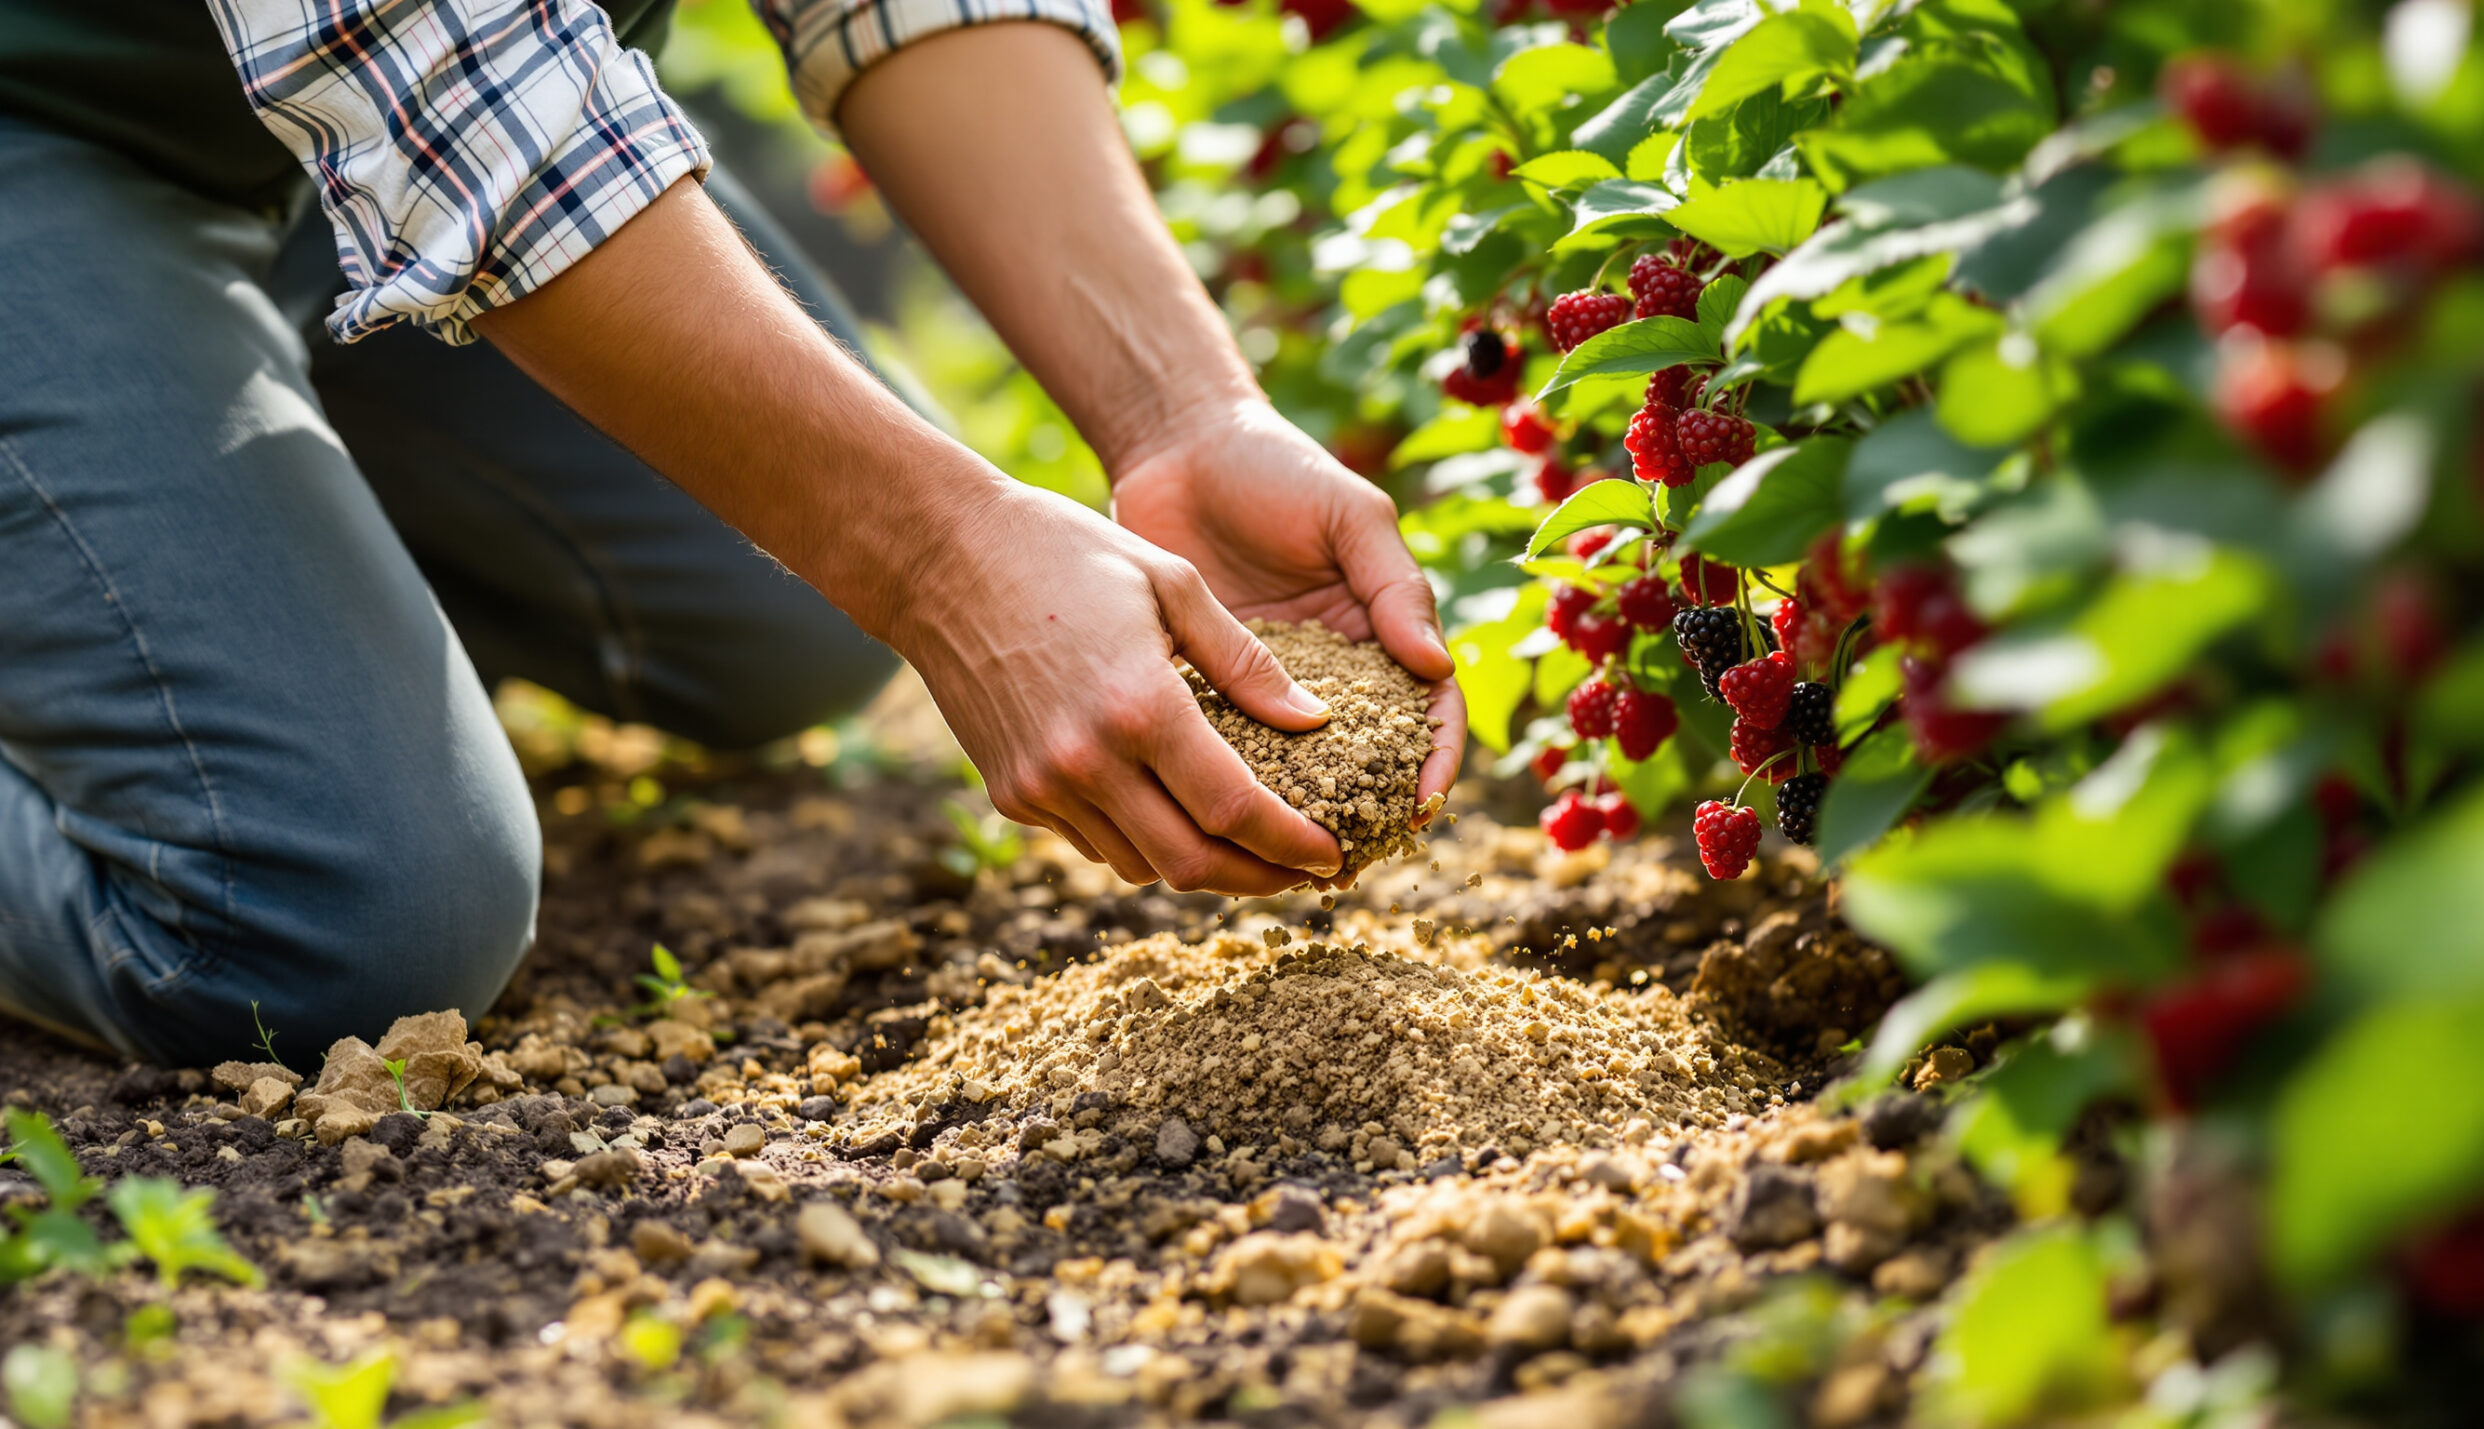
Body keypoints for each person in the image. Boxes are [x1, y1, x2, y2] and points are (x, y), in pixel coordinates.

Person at [0, 0, 1463, 1068]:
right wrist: (940, 561)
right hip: (59, 119)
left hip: (312, 140)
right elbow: (455, 80)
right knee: (330, 910)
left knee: (785, 605)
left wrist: (1181, 414)